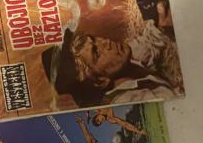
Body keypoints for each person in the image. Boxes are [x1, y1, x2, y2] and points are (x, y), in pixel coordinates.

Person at [42, 21, 184, 108]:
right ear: (100, 81)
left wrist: (161, 23)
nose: (106, 41)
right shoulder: (130, 101)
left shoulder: (122, 59)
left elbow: (148, 43)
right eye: (97, 53)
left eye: (94, 39)